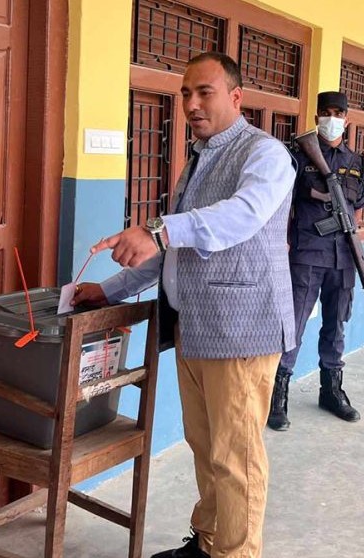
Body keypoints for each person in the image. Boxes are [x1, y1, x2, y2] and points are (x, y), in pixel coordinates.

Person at [71, 52, 296, 558]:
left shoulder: (265, 156)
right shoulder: (197, 161)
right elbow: (173, 248)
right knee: (206, 447)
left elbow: (241, 217)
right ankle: (210, 542)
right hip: (196, 328)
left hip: (244, 331)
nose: (192, 104)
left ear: (236, 98)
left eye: (205, 93)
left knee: (236, 457)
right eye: (185, 94)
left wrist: (159, 230)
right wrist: (109, 290)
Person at [267, 91, 364, 432]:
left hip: (343, 257)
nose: (332, 119)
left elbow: (361, 203)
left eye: (338, 113)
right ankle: (277, 396)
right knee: (292, 325)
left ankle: (331, 390)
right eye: (325, 112)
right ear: (315, 118)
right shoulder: (297, 157)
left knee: (336, 323)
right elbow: (281, 198)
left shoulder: (357, 162)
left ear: (347, 119)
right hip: (307, 252)